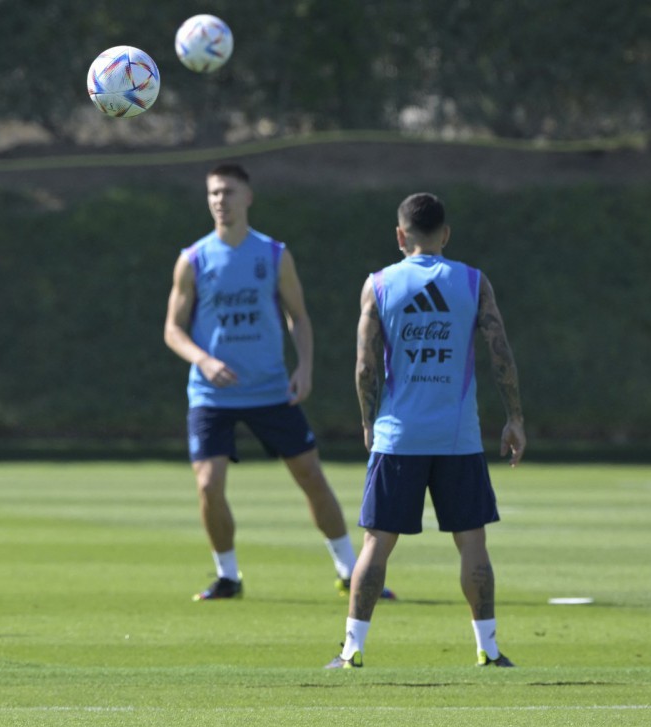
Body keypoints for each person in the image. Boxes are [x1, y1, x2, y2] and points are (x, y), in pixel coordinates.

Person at [164, 163, 393, 602]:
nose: (219, 201)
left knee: (310, 475)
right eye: (213, 193)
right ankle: (228, 576)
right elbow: (173, 330)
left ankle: (350, 571)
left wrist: (304, 367)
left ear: (247, 197)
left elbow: (299, 317)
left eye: (228, 192)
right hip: (212, 393)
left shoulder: (273, 255)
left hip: (270, 389)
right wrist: (204, 361)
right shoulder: (192, 259)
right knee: (208, 484)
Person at [326, 192, 526, 669]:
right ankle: (489, 649)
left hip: (399, 435)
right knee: (472, 541)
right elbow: (500, 350)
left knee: (377, 542)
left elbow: (364, 365)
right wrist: (514, 416)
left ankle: (352, 649)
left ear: (400, 235)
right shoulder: (473, 282)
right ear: (446, 234)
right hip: (459, 437)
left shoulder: (379, 284)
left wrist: (368, 420)